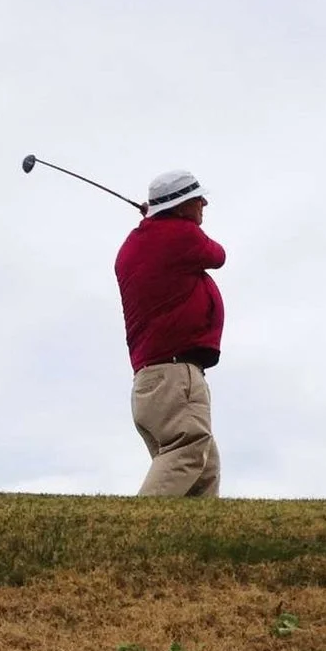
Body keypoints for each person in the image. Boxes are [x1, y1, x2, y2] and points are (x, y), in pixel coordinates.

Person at [113, 169, 224, 498]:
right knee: (188, 450)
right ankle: (132, 534)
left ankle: (197, 548)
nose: (204, 202)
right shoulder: (180, 236)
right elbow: (218, 255)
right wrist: (167, 222)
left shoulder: (132, 246)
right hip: (176, 377)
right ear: (179, 206)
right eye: (196, 199)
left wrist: (156, 219)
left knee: (205, 469)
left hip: (151, 386)